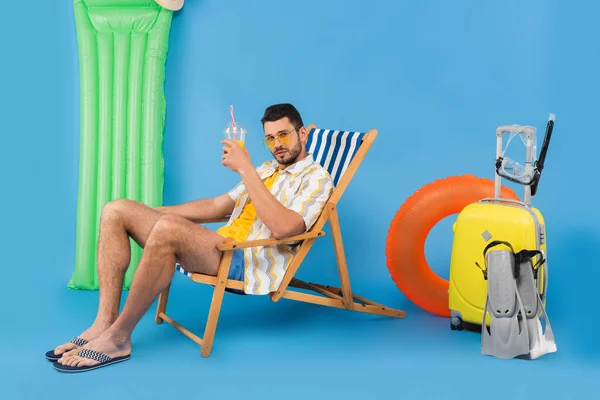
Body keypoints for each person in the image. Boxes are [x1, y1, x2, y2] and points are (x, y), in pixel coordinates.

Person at [47, 103, 334, 372]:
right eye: (270, 139)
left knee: (169, 228)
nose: (277, 145)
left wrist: (245, 169)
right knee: (117, 210)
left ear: (302, 133)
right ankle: (103, 323)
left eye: (283, 134)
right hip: (218, 247)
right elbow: (215, 206)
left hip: (246, 261)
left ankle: (119, 338)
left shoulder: (316, 179)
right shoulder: (267, 169)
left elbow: (285, 229)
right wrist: (150, 213)